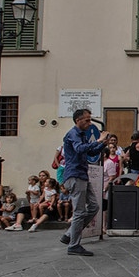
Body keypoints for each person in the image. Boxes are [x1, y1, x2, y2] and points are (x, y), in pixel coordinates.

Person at [60, 109, 110, 256]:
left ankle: (70, 234)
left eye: (90, 119)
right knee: (79, 211)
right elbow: (79, 149)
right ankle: (73, 245)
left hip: (82, 175)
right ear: (78, 121)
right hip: (75, 175)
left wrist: (102, 144)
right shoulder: (73, 134)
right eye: (87, 120)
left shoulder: (81, 135)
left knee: (94, 207)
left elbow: (91, 153)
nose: (90, 123)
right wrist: (99, 140)